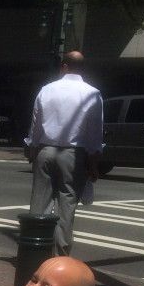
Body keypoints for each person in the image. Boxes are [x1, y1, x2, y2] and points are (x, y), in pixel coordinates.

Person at [26, 51, 103, 256]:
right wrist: (93, 163)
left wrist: (33, 148)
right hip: (73, 155)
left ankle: (36, 251)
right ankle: (60, 256)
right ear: (82, 69)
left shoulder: (46, 90)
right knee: (66, 207)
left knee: (39, 204)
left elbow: (35, 124)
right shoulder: (92, 94)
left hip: (45, 149)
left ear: (64, 66)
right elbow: (95, 133)